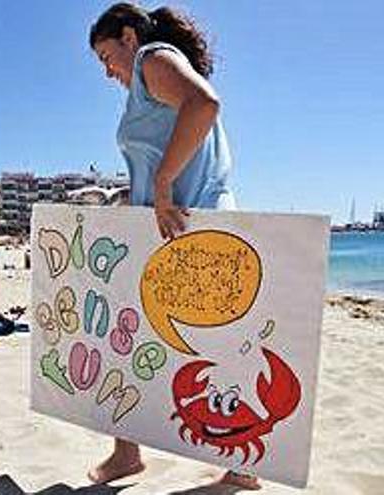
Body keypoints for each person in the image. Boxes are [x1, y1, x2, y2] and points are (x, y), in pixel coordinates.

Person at [88, 2, 255, 490]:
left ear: (127, 37)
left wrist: (161, 185)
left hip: (190, 227)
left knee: (199, 342)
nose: (106, 69)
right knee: (134, 335)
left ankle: (238, 462)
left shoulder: (151, 59)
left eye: (105, 55)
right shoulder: (145, 76)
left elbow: (205, 105)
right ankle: (129, 452)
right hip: (173, 230)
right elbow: (171, 142)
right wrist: (136, 192)